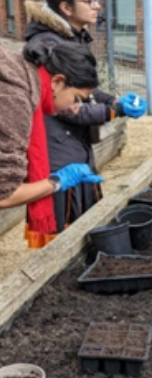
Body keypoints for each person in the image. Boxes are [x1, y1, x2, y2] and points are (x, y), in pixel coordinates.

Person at [23, 0, 147, 239]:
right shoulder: (48, 46)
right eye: (88, 0)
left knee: (84, 225)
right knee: (63, 232)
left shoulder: (70, 37)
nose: (97, 6)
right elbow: (68, 106)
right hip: (57, 151)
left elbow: (82, 90)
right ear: (66, 8)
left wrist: (113, 101)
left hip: (73, 147)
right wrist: (116, 111)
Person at [0, 41, 104, 247]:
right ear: (56, 82)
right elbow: (4, 194)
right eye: (76, 98)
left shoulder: (18, 70)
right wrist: (57, 181)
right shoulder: (14, 99)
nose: (76, 109)